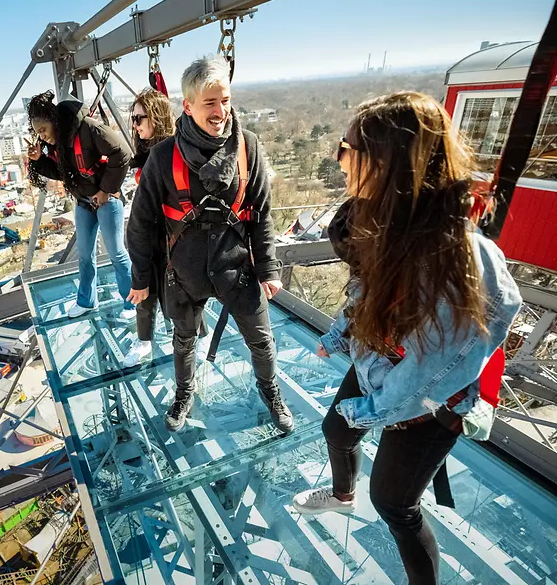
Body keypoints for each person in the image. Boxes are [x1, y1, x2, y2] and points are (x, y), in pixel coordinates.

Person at [291, 92, 522, 584]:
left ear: (386, 160)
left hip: (428, 402)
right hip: (382, 364)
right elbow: (366, 294)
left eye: (345, 148)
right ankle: (342, 495)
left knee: (394, 503)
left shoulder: (454, 257)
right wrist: (337, 335)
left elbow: (431, 374)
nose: (339, 159)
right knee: (337, 431)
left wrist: (370, 411)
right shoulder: (384, 224)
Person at [126, 55, 293, 433]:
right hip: (186, 268)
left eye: (225, 101)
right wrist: (141, 279)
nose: (220, 111)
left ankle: (271, 392)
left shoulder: (247, 146)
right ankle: (185, 393)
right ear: (187, 106)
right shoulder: (163, 156)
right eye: (210, 103)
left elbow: (261, 213)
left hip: (235, 265)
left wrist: (268, 268)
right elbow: (139, 224)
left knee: (261, 340)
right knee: (183, 341)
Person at [26, 91, 135, 319]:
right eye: (38, 133)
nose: (42, 137)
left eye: (43, 130)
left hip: (106, 199)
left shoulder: (87, 128)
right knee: (85, 255)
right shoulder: (60, 142)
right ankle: (86, 301)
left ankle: (132, 304)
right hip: (84, 202)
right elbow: (64, 173)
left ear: (53, 121)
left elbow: (122, 153)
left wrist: (105, 190)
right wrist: (40, 161)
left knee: (116, 253)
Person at [124, 88, 209, 367]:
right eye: (133, 119)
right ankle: (145, 340)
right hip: (154, 236)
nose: (135, 126)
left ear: (156, 117)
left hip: (173, 238)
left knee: (181, 291)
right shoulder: (151, 153)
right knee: (145, 288)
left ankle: (199, 335)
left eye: (139, 119)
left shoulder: (170, 153)